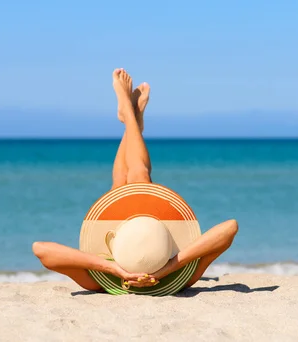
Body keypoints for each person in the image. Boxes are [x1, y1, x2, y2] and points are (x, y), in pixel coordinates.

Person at [32, 69, 238, 291]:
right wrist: (169, 268)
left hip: (126, 250)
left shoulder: (99, 282)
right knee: (138, 175)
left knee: (124, 180)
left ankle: (130, 116)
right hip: (157, 250)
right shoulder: (182, 279)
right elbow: (230, 228)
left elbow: (41, 249)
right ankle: (130, 117)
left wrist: (113, 270)